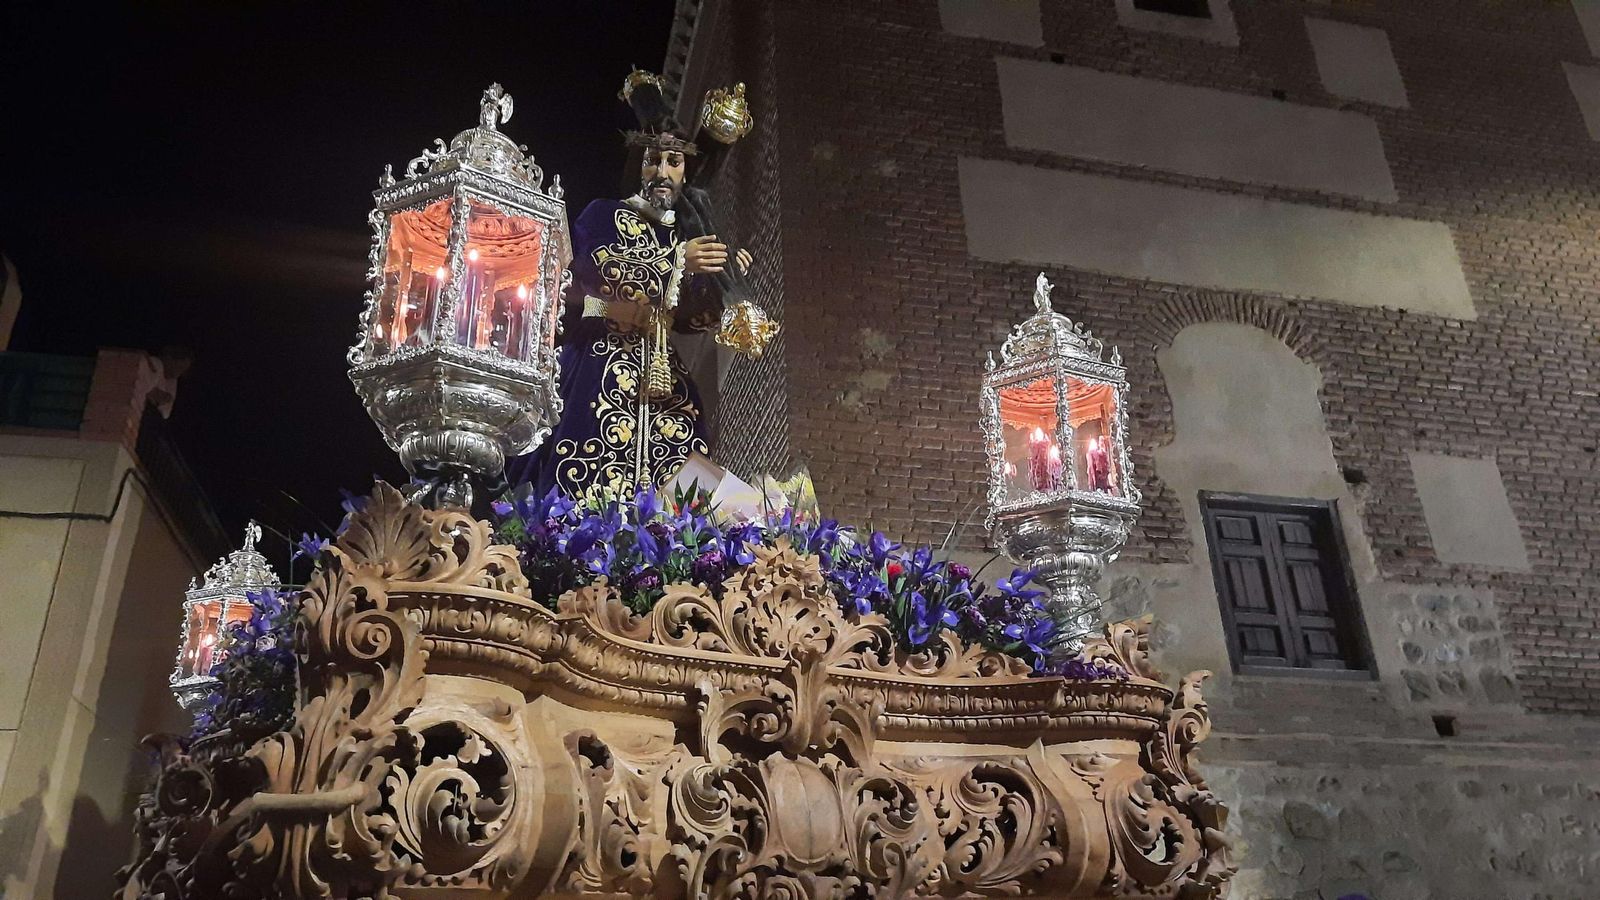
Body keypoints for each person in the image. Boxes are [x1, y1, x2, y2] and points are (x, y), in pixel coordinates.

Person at [510, 123, 751, 499]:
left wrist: (721, 282)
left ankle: (673, 543)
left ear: (685, 170)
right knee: (582, 448)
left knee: (684, 449)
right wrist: (676, 262)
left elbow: (687, 317)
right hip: (599, 353)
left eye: (674, 162)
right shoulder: (604, 214)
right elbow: (596, 267)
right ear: (640, 167)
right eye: (653, 160)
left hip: (661, 367)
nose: (662, 171)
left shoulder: (682, 234)